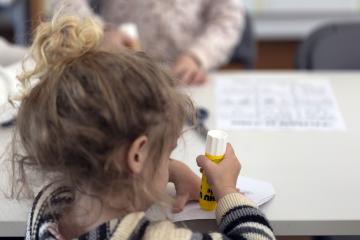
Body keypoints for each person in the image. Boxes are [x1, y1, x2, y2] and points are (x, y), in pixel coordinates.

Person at [11, 15, 275, 240]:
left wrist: (168, 169)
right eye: (167, 152)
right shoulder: (154, 236)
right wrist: (227, 191)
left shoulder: (48, 207)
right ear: (137, 154)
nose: (168, 160)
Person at [49, 0, 244, 85]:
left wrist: (197, 56)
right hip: (119, 73)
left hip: (187, 79)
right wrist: (100, 32)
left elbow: (229, 18)